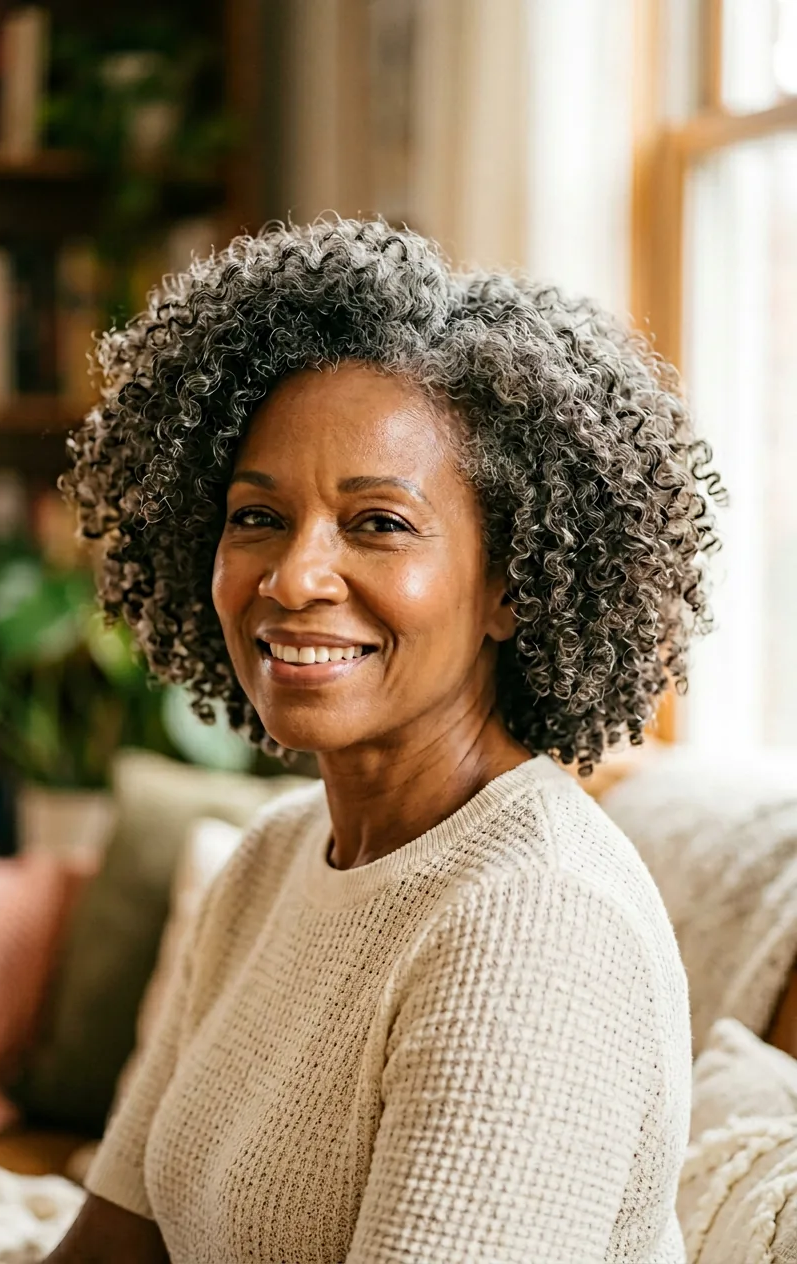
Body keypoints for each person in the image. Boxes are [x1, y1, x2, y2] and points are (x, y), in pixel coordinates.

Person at [49, 218, 721, 1263]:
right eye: (255, 516)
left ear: (510, 585)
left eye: (378, 524)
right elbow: (110, 1245)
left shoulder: (535, 926)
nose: (292, 578)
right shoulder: (270, 857)